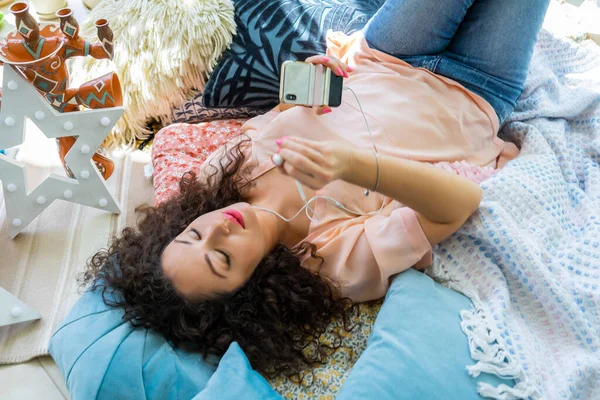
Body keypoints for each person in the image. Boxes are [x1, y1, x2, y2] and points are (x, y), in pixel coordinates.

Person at [82, 0, 550, 378]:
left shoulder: (221, 178)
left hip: (388, 54)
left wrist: (309, 85)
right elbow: (459, 204)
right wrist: (356, 167)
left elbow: (285, 111)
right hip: (473, 90)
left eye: (193, 235)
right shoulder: (330, 261)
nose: (218, 231)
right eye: (221, 259)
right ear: (250, 290)